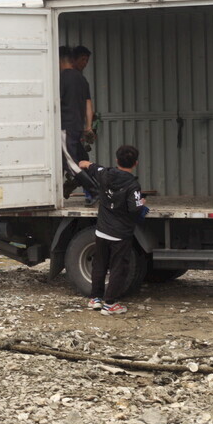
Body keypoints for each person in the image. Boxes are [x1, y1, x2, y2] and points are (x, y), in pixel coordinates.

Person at [79, 145, 147, 315]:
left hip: (102, 230)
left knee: (99, 264)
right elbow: (134, 209)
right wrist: (142, 202)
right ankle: (110, 303)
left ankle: (95, 299)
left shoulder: (105, 173)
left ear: (116, 160)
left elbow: (91, 166)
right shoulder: (133, 185)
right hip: (120, 234)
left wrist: (84, 163)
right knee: (118, 268)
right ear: (136, 163)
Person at [60, 45, 96, 204]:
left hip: (65, 126)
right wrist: (88, 127)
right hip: (76, 127)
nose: (85, 63)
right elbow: (88, 104)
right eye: (83, 60)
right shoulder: (82, 79)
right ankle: (89, 192)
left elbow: (56, 102)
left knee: (70, 162)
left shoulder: (62, 78)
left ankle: (95, 191)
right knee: (82, 159)